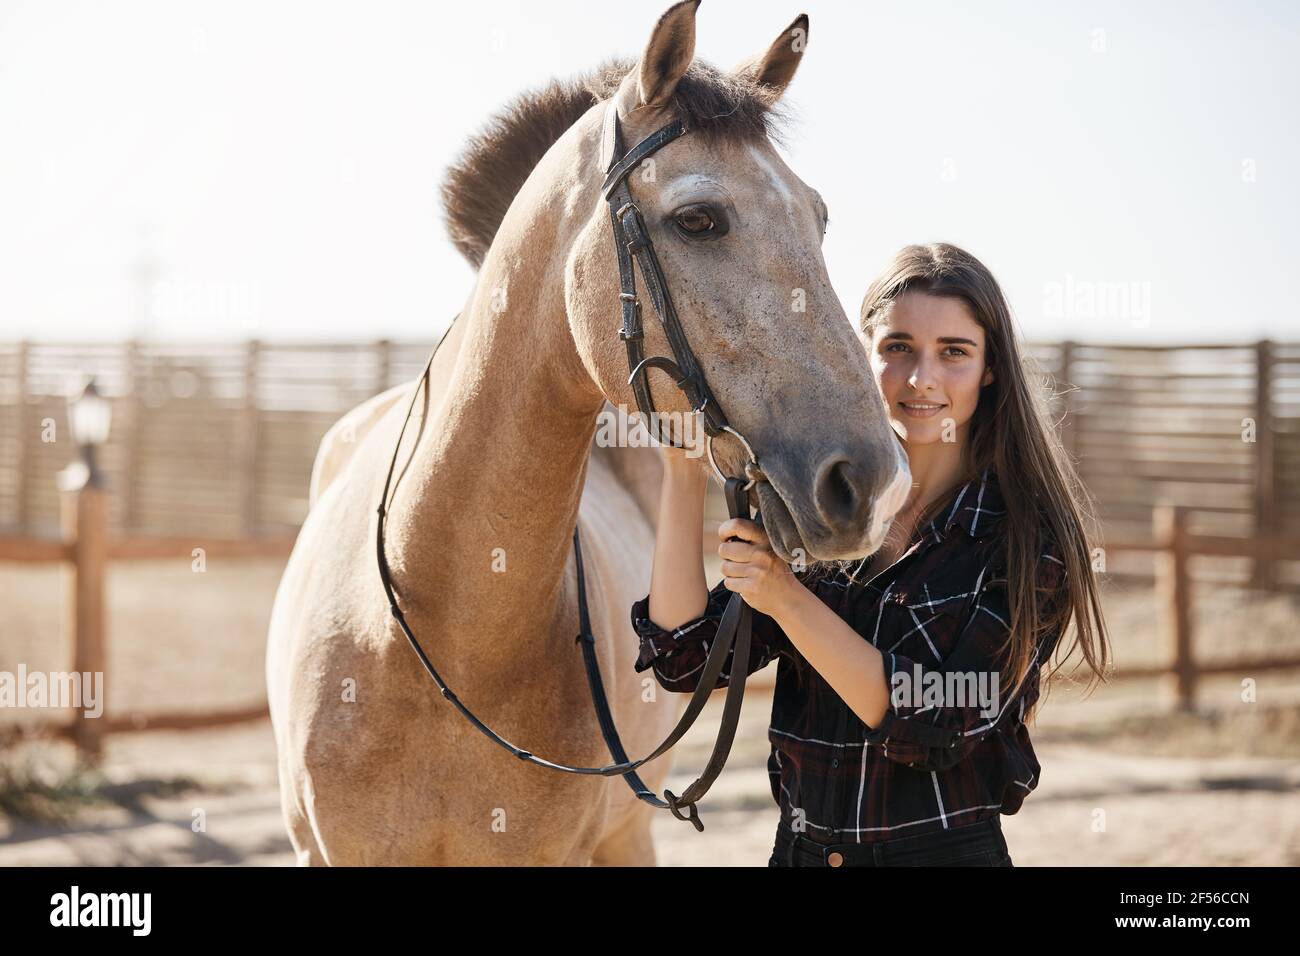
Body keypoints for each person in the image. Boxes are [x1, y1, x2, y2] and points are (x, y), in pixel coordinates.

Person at [630, 242, 1111, 866]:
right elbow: (684, 660)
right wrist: (683, 472)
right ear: (863, 352)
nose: (921, 379)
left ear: (991, 368)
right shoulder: (825, 507)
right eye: (898, 347)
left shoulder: (1024, 539)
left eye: (954, 353)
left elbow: (935, 716)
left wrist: (785, 597)